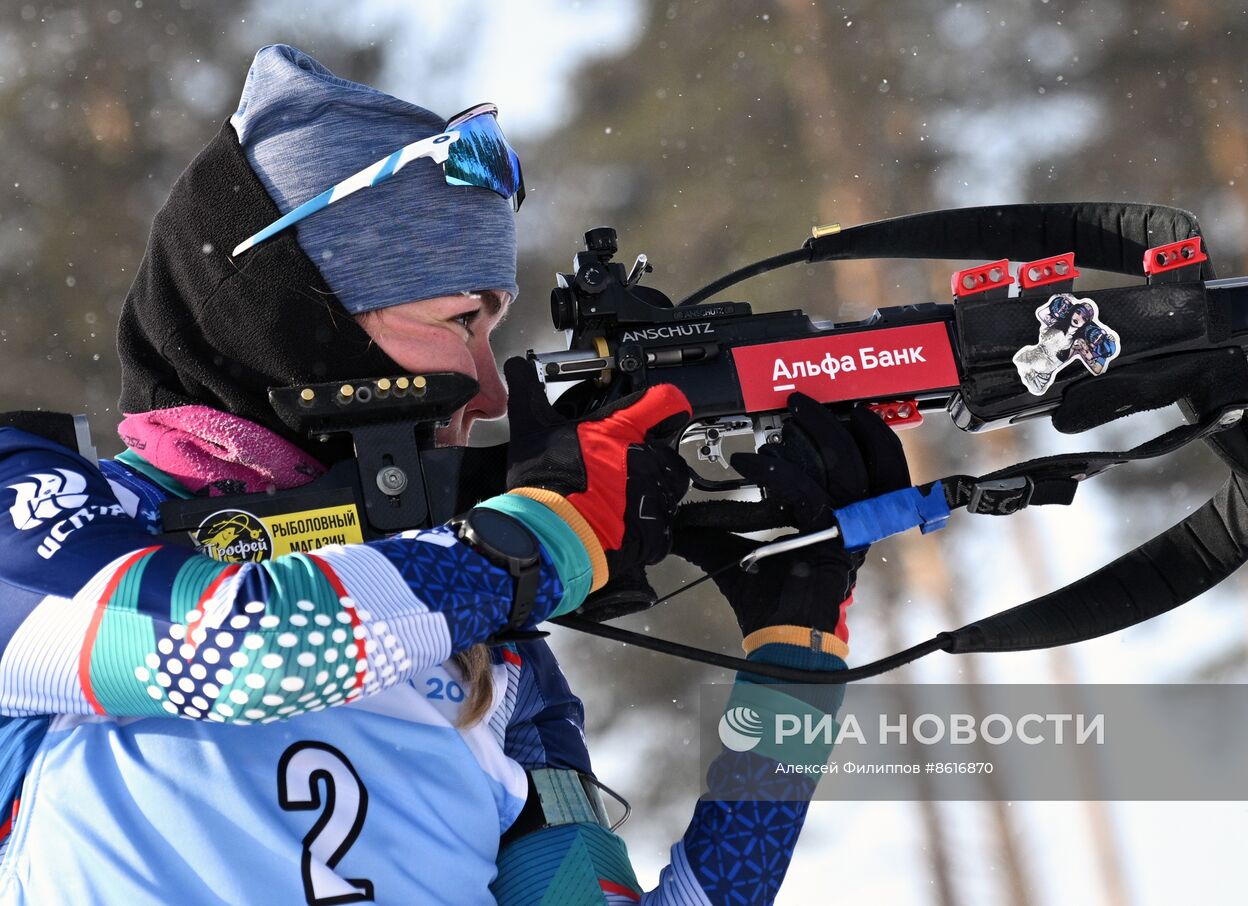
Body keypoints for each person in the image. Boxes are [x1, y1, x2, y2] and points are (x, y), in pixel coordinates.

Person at [0, 45, 908, 904]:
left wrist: (794, 671)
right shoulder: (41, 505)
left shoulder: (490, 654)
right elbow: (244, 649)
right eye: (457, 320)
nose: (483, 386)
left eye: (493, 330)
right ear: (293, 320)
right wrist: (552, 533)